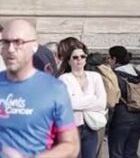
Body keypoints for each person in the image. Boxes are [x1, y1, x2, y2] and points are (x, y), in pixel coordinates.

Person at [0, 19, 80, 158]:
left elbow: (71, 145)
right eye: (6, 42)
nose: (11, 49)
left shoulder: (54, 89)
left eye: (18, 42)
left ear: (34, 46)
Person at [58, 38, 108, 158]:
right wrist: (92, 99)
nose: (79, 59)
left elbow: (102, 103)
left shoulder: (95, 77)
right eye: (75, 57)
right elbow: (69, 104)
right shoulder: (64, 79)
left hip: (91, 126)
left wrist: (79, 101)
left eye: (82, 56)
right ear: (69, 61)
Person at [108, 46, 140, 158]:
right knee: (131, 153)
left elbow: (112, 100)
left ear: (114, 59)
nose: (109, 61)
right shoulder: (136, 73)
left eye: (109, 58)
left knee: (116, 154)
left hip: (121, 119)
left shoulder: (114, 75)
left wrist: (107, 124)